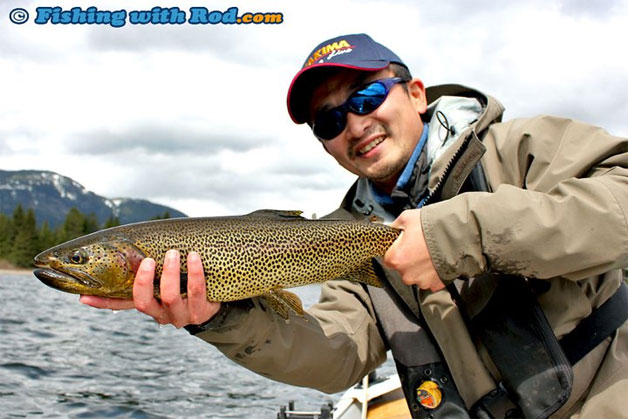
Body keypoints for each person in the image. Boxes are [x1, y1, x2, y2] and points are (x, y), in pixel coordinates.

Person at [81, 33, 628, 418]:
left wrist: (457, 236)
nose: (355, 123)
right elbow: (335, 353)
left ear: (416, 93)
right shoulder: (344, 238)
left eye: (366, 96)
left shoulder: (517, 150)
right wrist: (218, 320)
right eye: (329, 120)